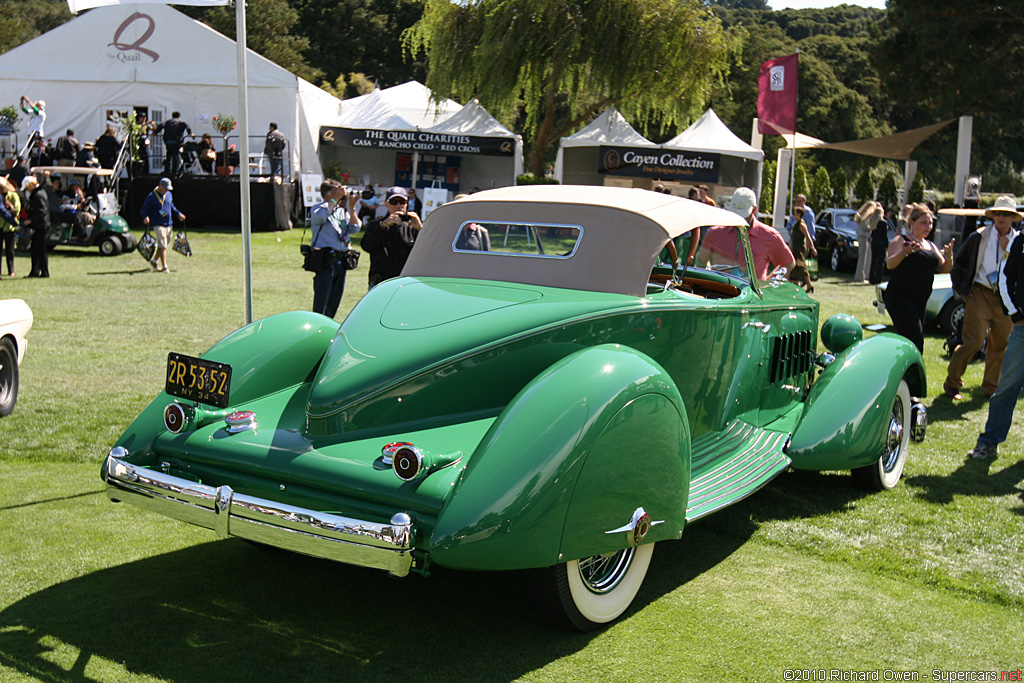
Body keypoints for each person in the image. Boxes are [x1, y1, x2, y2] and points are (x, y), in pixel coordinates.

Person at [943, 196, 1019, 400]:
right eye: (998, 213)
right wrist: (962, 291)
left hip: (1005, 297)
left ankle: (990, 388)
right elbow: (959, 264)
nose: (1001, 217)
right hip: (980, 293)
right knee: (974, 342)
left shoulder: (1018, 241)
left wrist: (1008, 251)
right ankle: (952, 382)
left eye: (1006, 214)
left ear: (1013, 218)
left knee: (1000, 345)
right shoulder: (979, 236)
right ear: (993, 215)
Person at [967, 227, 1024, 459]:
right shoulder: (1019, 242)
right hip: (1022, 329)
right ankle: (988, 443)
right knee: (1007, 387)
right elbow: (1004, 278)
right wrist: (1016, 316)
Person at [883, 203, 955, 353]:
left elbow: (944, 269)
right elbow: (889, 264)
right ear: (911, 222)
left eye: (930, 223)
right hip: (900, 297)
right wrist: (904, 253)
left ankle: (904, 373)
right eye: (924, 222)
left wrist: (949, 257)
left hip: (921, 300)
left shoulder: (930, 245)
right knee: (914, 339)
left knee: (912, 340)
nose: (928, 226)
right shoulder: (901, 240)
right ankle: (911, 374)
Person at [696, 187, 795, 282]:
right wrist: (710, 278)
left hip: (752, 296)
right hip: (719, 294)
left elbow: (788, 263)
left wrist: (767, 283)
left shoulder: (770, 236)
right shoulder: (714, 233)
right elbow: (701, 262)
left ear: (754, 210)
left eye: (743, 214)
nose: (739, 218)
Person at [310, 179, 359, 318]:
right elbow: (321, 217)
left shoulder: (341, 212)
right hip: (325, 260)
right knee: (322, 303)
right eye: (337, 192)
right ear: (327, 195)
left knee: (334, 301)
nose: (341, 195)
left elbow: (355, 228)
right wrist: (334, 199)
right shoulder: (318, 209)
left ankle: (328, 328)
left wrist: (352, 207)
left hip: (341, 260)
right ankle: (317, 328)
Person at [361, 186, 421, 287]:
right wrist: (383, 225)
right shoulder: (376, 224)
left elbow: (428, 252)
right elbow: (367, 246)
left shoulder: (412, 226)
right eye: (394, 202)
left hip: (406, 282)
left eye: (402, 202)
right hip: (381, 282)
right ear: (386, 204)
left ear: (406, 204)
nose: (398, 205)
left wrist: (421, 230)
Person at [140, 177, 185, 273]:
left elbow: (171, 206)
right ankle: (165, 267)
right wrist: (145, 217)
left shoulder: (169, 194)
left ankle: (154, 260)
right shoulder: (151, 196)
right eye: (166, 188)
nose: (167, 190)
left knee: (163, 246)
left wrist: (178, 214)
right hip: (158, 224)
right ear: (160, 186)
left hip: (169, 224)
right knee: (163, 245)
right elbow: (144, 209)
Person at [21, 175, 49, 278]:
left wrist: (31, 220)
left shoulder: (38, 195)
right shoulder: (39, 193)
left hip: (41, 225)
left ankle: (44, 272)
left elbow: (41, 211)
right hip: (41, 225)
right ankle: (35, 271)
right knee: (36, 248)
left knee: (40, 249)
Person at [787, 206, 817, 293]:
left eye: (795, 213)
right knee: (794, 266)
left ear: (799, 214)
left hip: (800, 248)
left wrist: (813, 248)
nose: (793, 215)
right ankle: (795, 285)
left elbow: (808, 237)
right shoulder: (796, 224)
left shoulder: (801, 224)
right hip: (795, 247)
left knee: (801, 265)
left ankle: (809, 285)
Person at [154, 112, 191, 178]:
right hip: (177, 142)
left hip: (168, 142)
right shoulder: (180, 122)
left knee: (168, 157)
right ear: (179, 117)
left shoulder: (167, 122)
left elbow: (161, 125)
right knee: (175, 157)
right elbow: (187, 125)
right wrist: (190, 133)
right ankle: (174, 172)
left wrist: (155, 133)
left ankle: (167, 171)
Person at [854, 199, 883, 283]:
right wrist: (873, 227)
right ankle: (859, 277)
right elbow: (865, 227)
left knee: (863, 258)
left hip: (862, 236)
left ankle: (861, 276)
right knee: (863, 257)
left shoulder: (861, 215)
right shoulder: (865, 216)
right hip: (864, 236)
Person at [0, 176, 20, 277]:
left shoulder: (13, 196)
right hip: (1, 225)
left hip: (9, 227)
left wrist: (9, 211)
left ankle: (11, 270)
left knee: (10, 250)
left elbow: (16, 209)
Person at [868, 208, 893, 285]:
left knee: (873, 260)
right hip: (881, 242)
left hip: (874, 242)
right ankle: (878, 279)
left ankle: (871, 278)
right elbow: (884, 235)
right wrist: (886, 244)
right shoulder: (883, 222)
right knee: (880, 261)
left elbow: (872, 234)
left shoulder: (873, 222)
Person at [19, 96, 45, 164]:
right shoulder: (34, 113)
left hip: (37, 134)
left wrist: (28, 100)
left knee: (35, 152)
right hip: (31, 134)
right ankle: (30, 166)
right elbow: (25, 109)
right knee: (30, 151)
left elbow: (35, 110)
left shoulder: (42, 114)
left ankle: (35, 167)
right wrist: (22, 101)